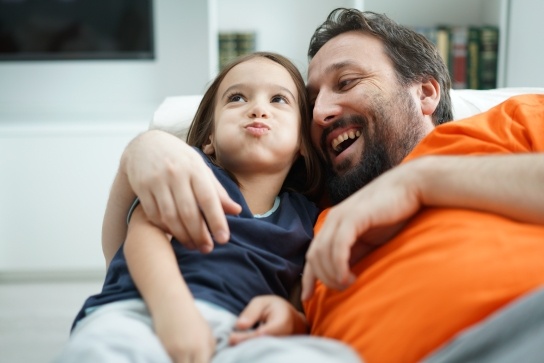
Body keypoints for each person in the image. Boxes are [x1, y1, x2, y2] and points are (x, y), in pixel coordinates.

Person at [101, 8, 544, 363]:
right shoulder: (313, 211)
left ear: (425, 92)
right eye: (310, 102)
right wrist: (143, 149)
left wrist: (422, 180)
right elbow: (133, 256)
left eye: (346, 82)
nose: (320, 113)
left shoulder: (509, 124)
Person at [54, 51, 361, 363]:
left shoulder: (306, 215)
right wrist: (173, 313)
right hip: (143, 311)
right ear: (210, 137)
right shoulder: (193, 171)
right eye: (237, 98)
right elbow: (145, 236)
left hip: (238, 333)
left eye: (279, 100)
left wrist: (292, 316)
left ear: (301, 142)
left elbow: (300, 285)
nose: (257, 109)